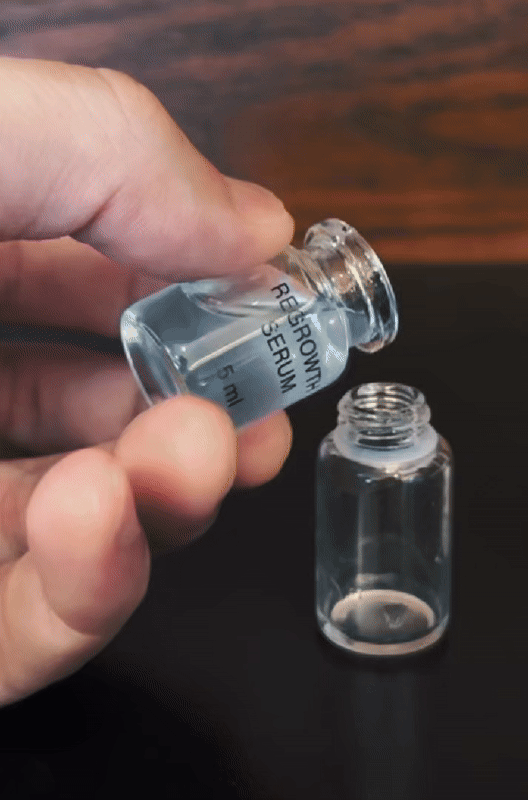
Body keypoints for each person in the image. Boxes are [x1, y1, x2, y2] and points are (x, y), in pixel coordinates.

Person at [0, 57, 295, 706]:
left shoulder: (321, 345)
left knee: (183, 455)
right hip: (159, 356)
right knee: (190, 451)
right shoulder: (277, 286)